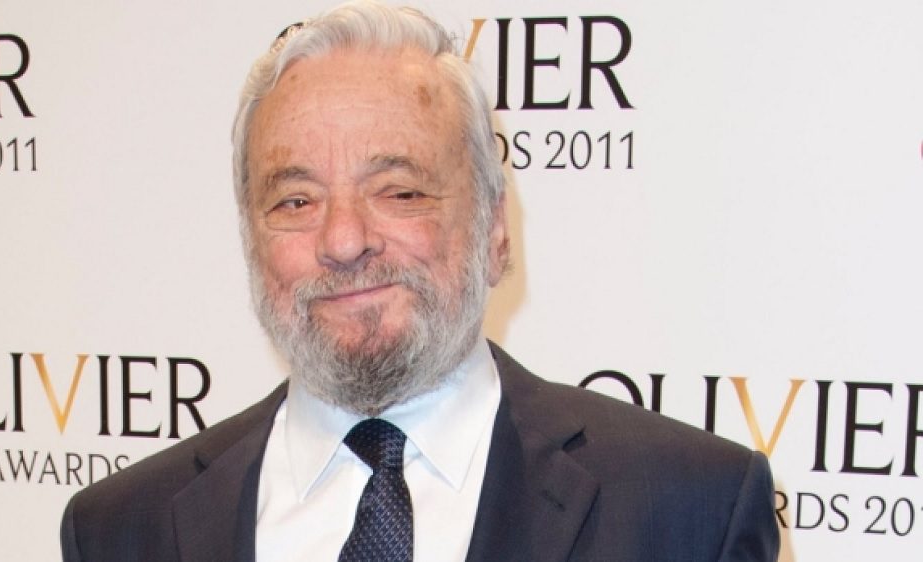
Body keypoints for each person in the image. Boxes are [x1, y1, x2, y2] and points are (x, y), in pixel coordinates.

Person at [60, 2, 780, 561]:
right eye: (296, 201)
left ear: (494, 228)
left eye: (399, 191)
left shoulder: (690, 511)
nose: (344, 240)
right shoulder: (121, 529)